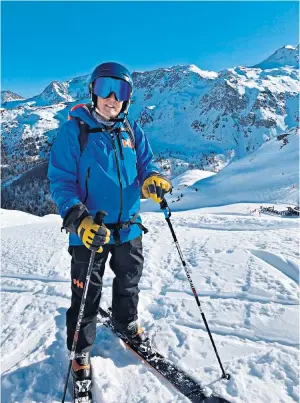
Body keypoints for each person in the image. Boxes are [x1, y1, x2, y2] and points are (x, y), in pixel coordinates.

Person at [48, 62, 172, 391]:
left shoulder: (131, 131)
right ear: (93, 92)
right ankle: (79, 353)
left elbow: (147, 164)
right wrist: (78, 218)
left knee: (129, 282)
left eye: (122, 91)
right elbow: (61, 182)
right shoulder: (75, 131)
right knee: (86, 293)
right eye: (105, 88)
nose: (112, 98)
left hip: (129, 227)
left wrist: (152, 179)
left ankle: (126, 324)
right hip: (90, 230)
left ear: (128, 98)